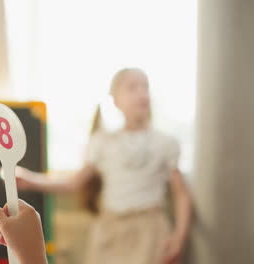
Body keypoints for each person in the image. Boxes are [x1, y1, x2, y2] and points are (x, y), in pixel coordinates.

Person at [14, 68, 192, 264]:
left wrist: (179, 237)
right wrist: (30, 180)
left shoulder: (165, 143)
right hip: (111, 232)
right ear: (115, 99)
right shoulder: (102, 142)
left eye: (145, 87)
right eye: (132, 87)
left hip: (150, 231)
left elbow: (181, 193)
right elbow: (73, 183)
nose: (142, 93)